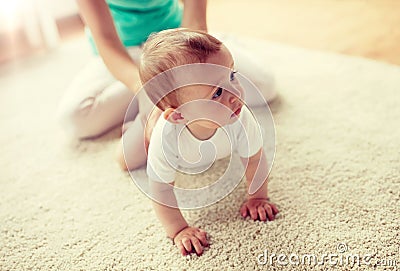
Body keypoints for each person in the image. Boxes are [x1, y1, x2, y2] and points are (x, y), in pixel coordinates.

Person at [128, 28, 279, 256]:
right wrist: (178, 230)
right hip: (160, 124)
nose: (235, 93)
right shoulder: (166, 138)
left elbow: (255, 158)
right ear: (178, 115)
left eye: (232, 75)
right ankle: (140, 118)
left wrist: (257, 197)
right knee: (127, 158)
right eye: (217, 92)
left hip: (180, 114)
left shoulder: (240, 115)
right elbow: (160, 189)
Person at [57, 0, 276, 140]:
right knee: (75, 119)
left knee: (265, 85)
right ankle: (157, 100)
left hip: (179, 40)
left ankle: (217, 51)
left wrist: (186, 73)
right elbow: (106, 42)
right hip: (124, 51)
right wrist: (146, 88)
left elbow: (195, 20)